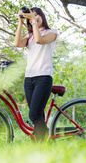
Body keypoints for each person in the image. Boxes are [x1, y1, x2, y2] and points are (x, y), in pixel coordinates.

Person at [14, 7, 58, 142]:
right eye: (31, 17)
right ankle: (41, 145)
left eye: (36, 15)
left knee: (33, 114)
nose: (33, 18)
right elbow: (17, 43)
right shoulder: (30, 36)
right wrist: (21, 22)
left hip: (43, 77)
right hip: (29, 79)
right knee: (37, 115)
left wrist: (33, 19)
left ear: (41, 16)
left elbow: (40, 40)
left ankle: (46, 145)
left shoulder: (51, 32)